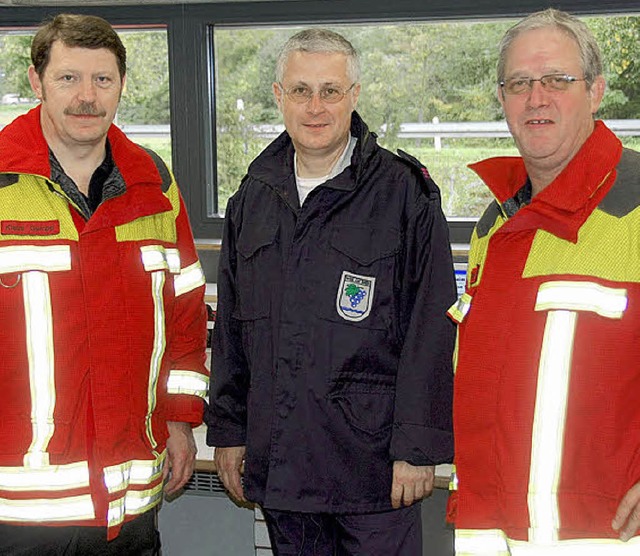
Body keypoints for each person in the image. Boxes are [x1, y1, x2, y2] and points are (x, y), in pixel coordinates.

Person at [207, 28, 456, 555]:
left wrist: (417, 448)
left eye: (330, 91)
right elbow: (231, 331)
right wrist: (228, 432)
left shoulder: (403, 193)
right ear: (279, 97)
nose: (315, 106)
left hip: (371, 472)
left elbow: (431, 327)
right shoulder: (251, 198)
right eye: (300, 90)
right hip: (283, 465)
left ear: (354, 96)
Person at [0, 14, 209, 554]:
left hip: (130, 498)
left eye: (103, 79)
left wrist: (182, 423)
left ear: (121, 85)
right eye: (68, 78)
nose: (86, 97)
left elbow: (185, 319)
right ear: (36, 81)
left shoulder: (155, 188)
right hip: (17, 508)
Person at [448, 8, 640, 555]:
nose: (537, 98)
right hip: (495, 533)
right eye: (519, 84)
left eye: (557, 80)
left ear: (597, 90)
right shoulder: (497, 223)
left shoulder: (637, 205)